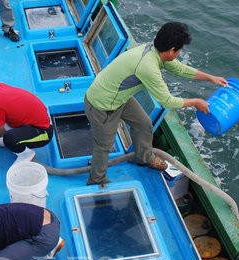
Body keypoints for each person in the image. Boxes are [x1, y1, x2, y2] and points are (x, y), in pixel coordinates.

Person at [85, 22, 228, 186]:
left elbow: (180, 69)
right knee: (104, 146)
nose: (180, 53)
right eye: (180, 49)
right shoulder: (148, 65)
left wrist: (211, 78)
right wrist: (195, 102)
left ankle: (144, 157)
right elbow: (166, 100)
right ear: (172, 50)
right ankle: (97, 180)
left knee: (144, 124)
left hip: (119, 97)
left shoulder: (155, 50)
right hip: (102, 104)